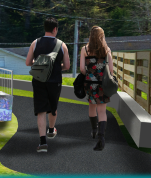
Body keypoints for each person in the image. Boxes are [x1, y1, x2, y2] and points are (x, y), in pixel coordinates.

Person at [25, 17, 70, 153]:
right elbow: (67, 66)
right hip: (55, 81)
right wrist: (54, 67)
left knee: (41, 110)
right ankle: (51, 129)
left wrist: (40, 65)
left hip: (39, 80)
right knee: (53, 105)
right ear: (55, 29)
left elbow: (28, 62)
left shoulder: (35, 43)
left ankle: (43, 142)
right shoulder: (62, 45)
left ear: (45, 28)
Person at [79, 26, 113, 151]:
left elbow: (82, 69)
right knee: (102, 111)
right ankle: (101, 138)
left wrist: (89, 73)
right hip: (102, 84)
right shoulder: (106, 49)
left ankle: (94, 130)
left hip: (89, 83)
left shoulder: (85, 49)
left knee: (92, 107)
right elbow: (111, 70)